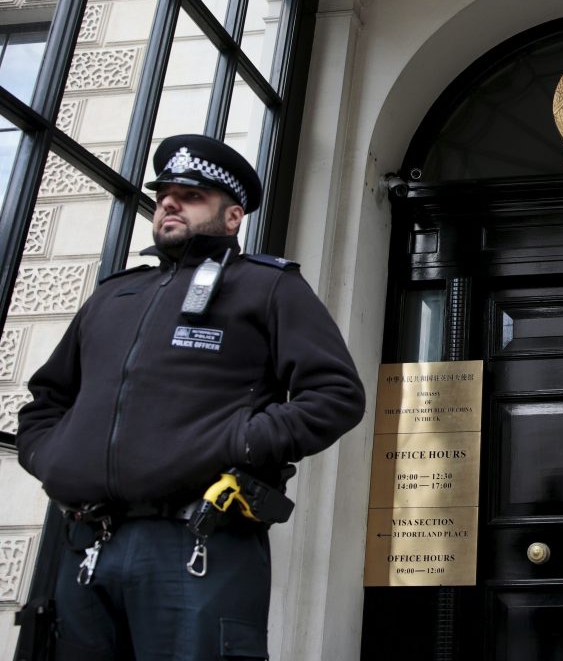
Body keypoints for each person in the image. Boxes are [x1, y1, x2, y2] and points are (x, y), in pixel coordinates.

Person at [16, 134, 366, 660]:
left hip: (197, 543)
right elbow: (47, 399)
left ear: (232, 218)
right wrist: (51, 458)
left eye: (191, 195)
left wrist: (239, 442)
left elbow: (336, 395)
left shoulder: (268, 287)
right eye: (163, 195)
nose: (169, 203)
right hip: (88, 542)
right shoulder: (113, 294)